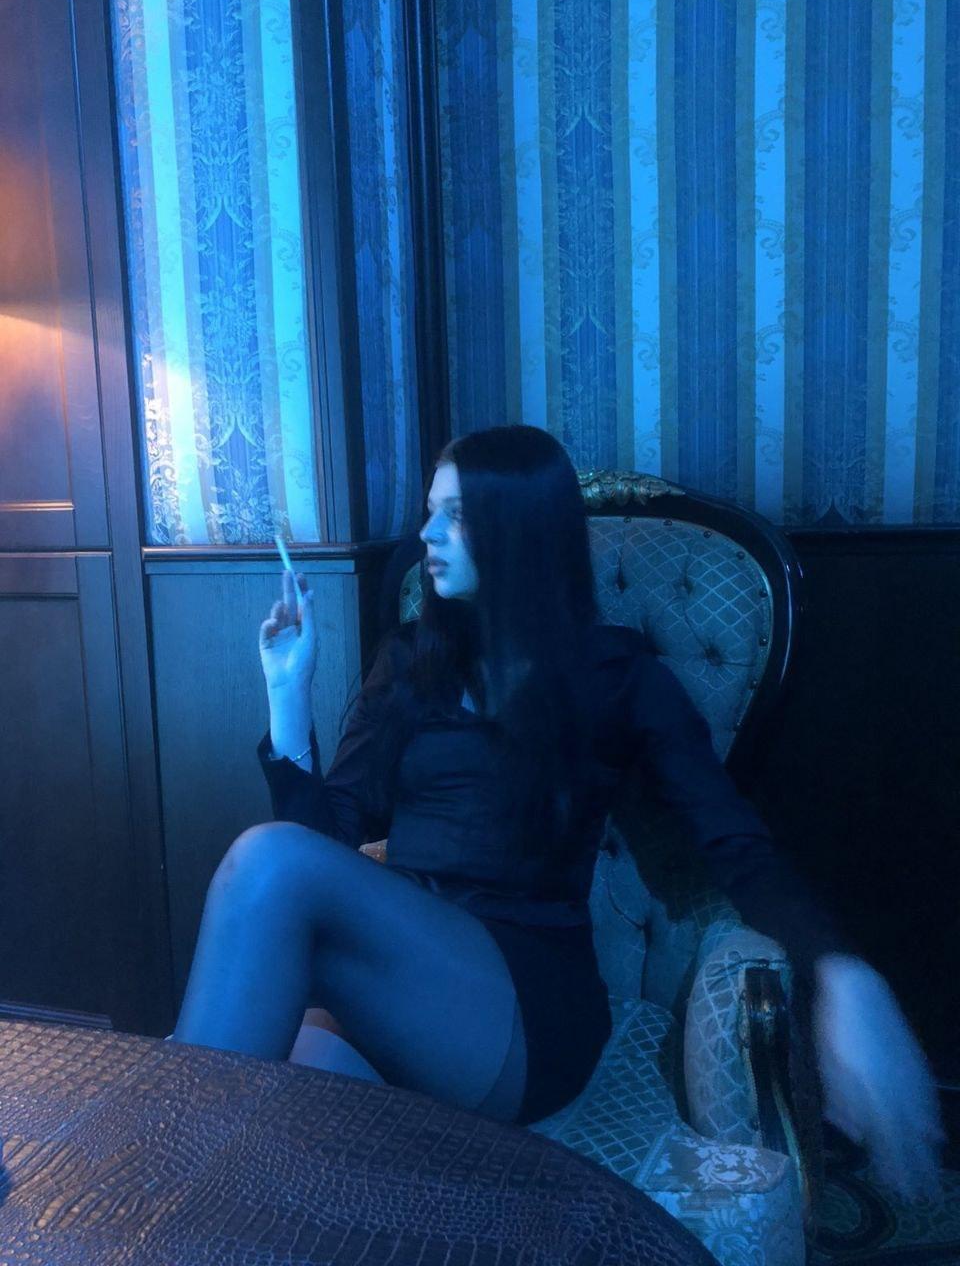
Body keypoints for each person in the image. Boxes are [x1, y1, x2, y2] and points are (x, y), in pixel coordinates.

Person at [170, 425, 945, 1201]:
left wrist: (840, 972)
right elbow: (329, 840)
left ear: (522, 530)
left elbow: (733, 842)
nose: (426, 534)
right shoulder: (410, 662)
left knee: (268, 862)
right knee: (263, 1112)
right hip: (404, 984)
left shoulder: (617, 677)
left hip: (524, 1005)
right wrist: (287, 691)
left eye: (456, 516)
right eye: (430, 511)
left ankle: (149, 1181)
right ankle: (177, 1192)